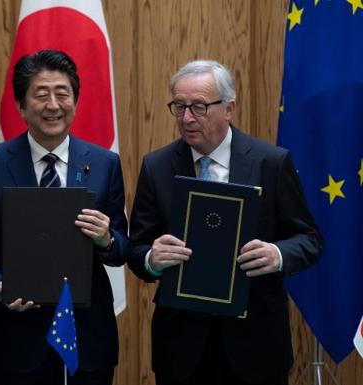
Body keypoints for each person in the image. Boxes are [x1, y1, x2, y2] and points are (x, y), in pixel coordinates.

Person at [128, 60, 323, 385]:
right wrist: (152, 258)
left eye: (199, 107)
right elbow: (137, 250)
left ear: (229, 108)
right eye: (179, 106)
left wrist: (276, 254)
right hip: (182, 348)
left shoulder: (271, 163)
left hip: (256, 344)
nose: (187, 118)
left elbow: (309, 238)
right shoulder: (156, 166)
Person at [0, 50, 128, 385]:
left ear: (75, 102)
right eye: (41, 94)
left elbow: (123, 246)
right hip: (18, 337)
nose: (53, 105)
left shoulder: (104, 163)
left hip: (88, 334)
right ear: (22, 106)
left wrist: (106, 238)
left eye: (62, 93)